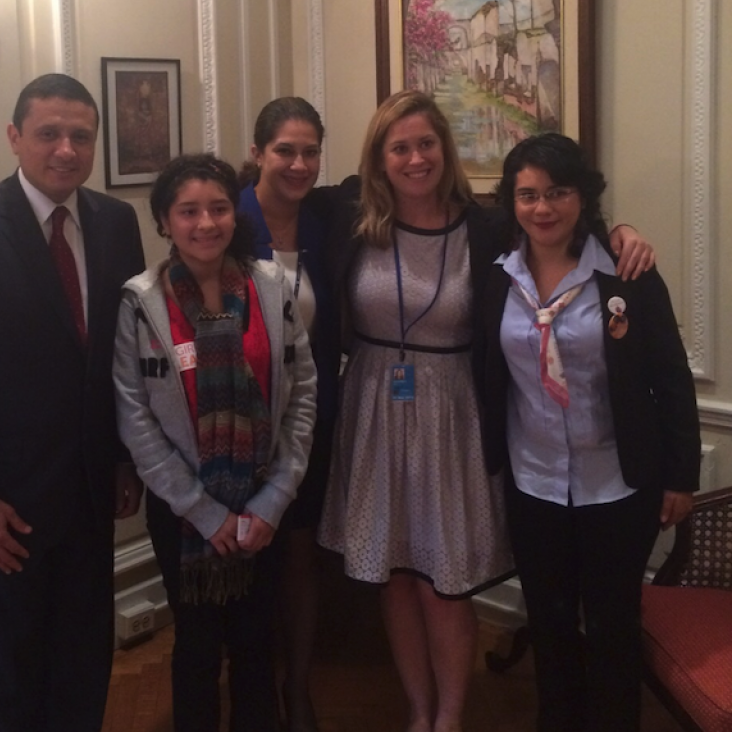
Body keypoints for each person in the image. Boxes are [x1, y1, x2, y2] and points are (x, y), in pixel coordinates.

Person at [316, 90, 655, 732]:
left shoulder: (488, 225)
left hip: (452, 417)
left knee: (444, 581)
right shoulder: (350, 217)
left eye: (426, 143)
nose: (415, 158)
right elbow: (277, 199)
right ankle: (418, 711)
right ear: (378, 158)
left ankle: (450, 717)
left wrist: (623, 230)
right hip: (373, 411)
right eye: (400, 147)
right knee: (394, 575)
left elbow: (561, 221)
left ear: (444, 148)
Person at [0, 73, 145, 732]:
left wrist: (125, 462)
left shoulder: (116, 223)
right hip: (1, 512)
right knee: (8, 679)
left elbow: (118, 360)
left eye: (81, 136)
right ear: (14, 138)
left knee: (82, 666)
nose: (65, 149)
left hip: (91, 496)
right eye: (49, 133)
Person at [477, 132, 700, 732]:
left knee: (611, 624)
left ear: (583, 197)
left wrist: (682, 476)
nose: (542, 208)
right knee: (548, 620)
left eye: (558, 192)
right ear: (511, 202)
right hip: (534, 483)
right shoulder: (498, 275)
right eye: (527, 195)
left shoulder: (625, 274)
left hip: (616, 484)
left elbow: (671, 375)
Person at [113, 153, 317, 732]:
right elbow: (135, 418)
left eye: (219, 208)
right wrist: (205, 513)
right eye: (189, 211)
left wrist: (273, 500)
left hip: (263, 507)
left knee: (257, 642)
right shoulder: (140, 301)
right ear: (164, 222)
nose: (206, 223)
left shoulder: (271, 285)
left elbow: (302, 393)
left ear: (236, 212)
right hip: (183, 516)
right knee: (197, 649)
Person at [237, 96, 337, 732]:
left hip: (313, 417)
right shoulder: (227, 217)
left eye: (309, 152)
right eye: (284, 151)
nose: (298, 165)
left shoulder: (331, 216)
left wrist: (614, 233)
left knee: (300, 555)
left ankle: (296, 688)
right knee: (248, 557)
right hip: (238, 423)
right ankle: (250, 691)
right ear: (257, 154)